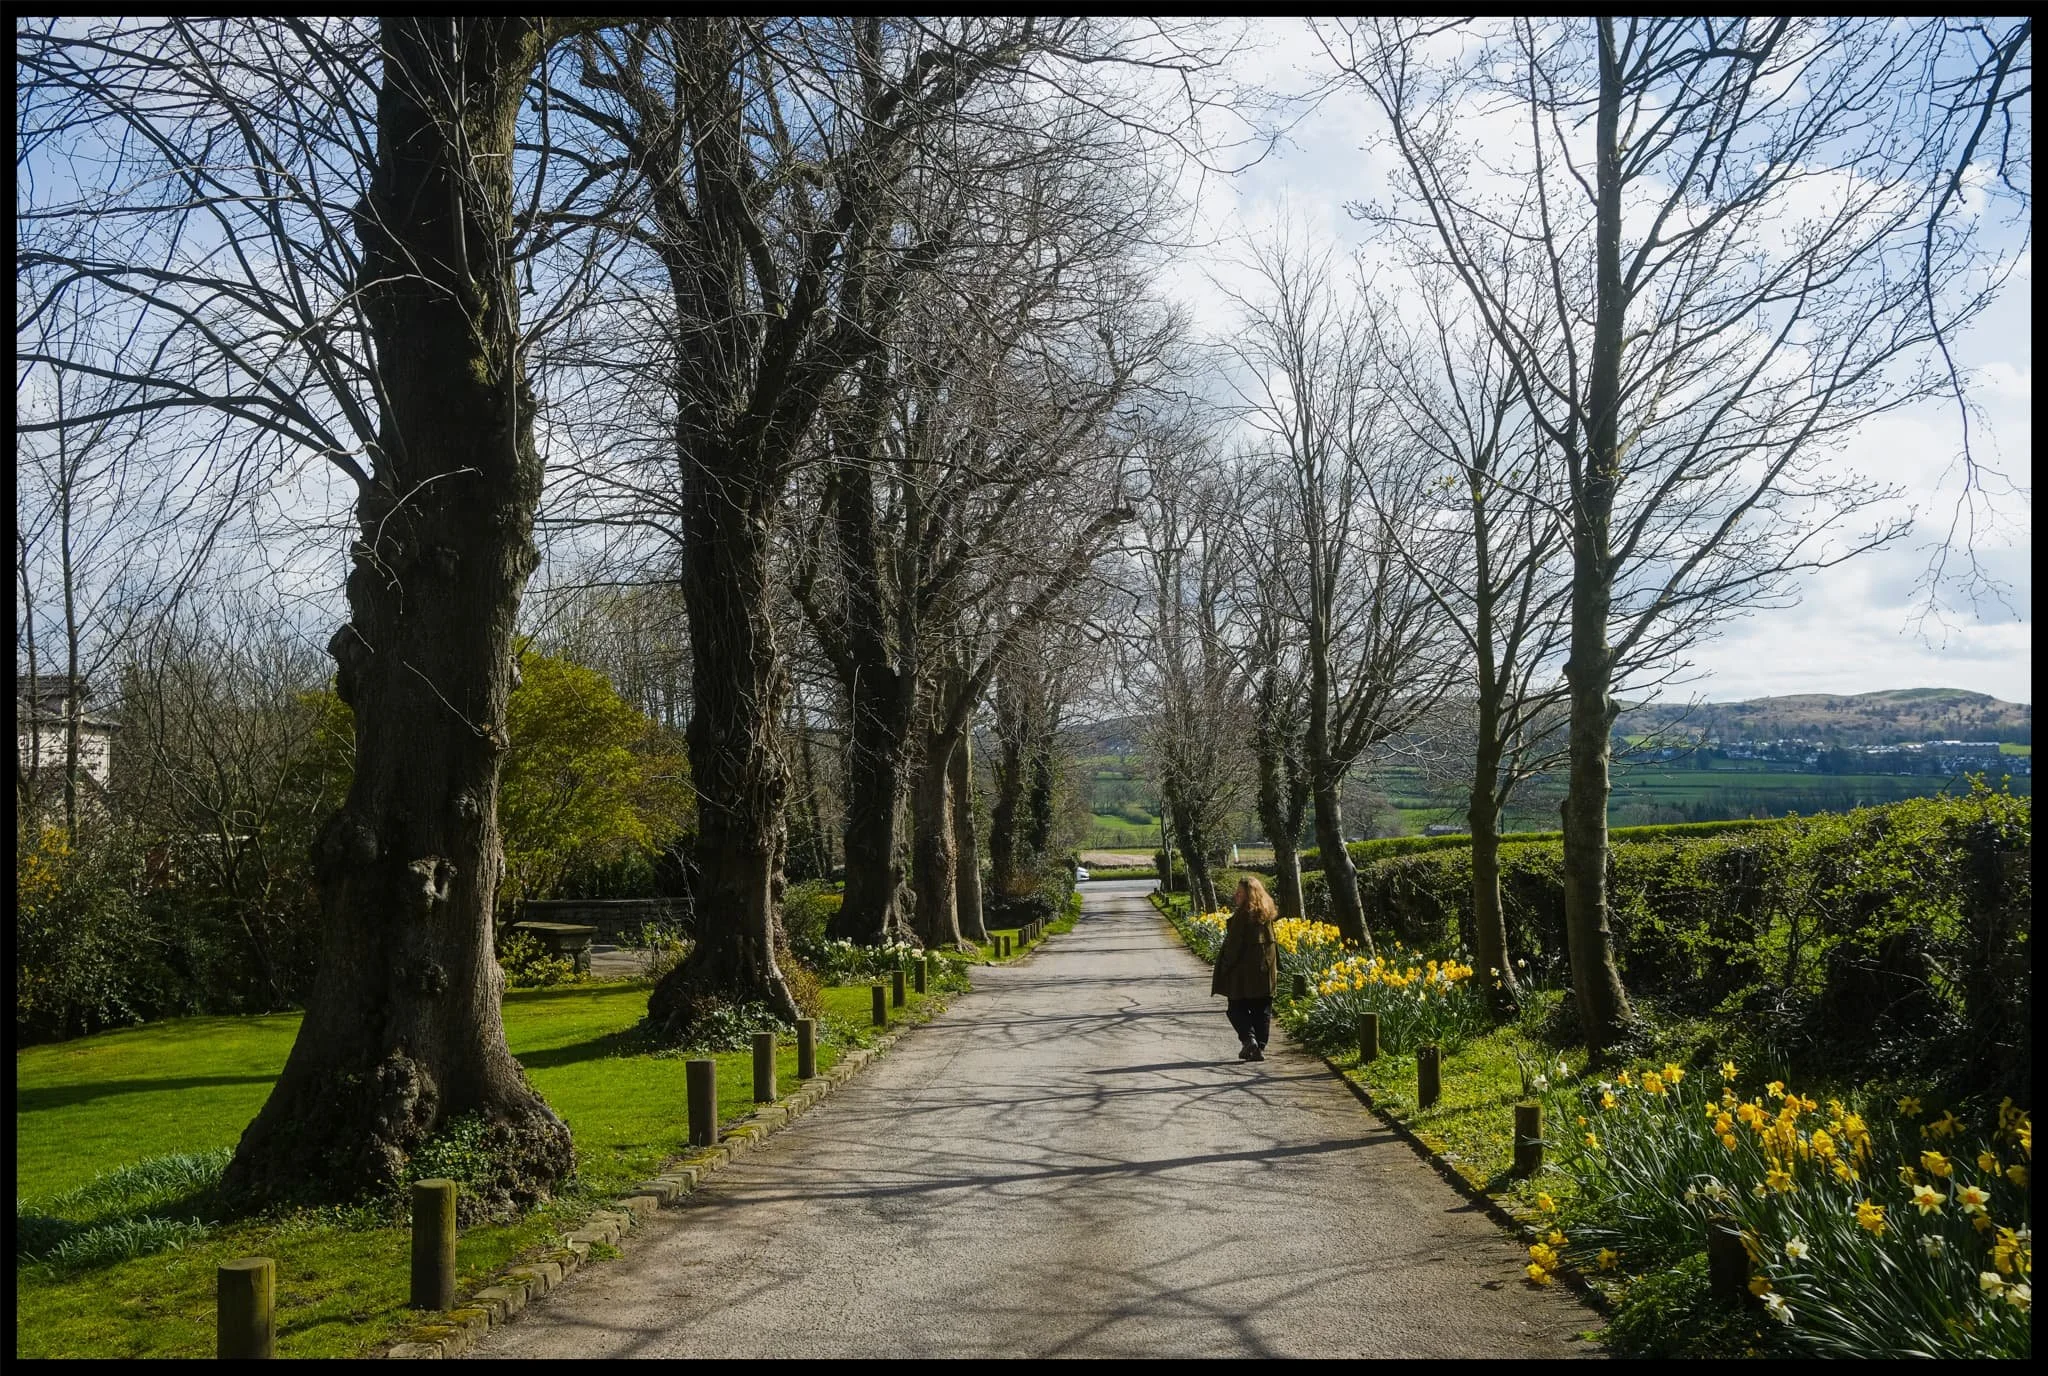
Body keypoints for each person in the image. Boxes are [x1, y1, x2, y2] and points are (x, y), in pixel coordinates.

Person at [1211, 875, 1279, 1061]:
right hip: (1265, 974)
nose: (1236, 896)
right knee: (1261, 1010)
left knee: (1235, 1009)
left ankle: (1250, 1040)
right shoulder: (1267, 915)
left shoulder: (1242, 916)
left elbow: (1233, 947)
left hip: (1242, 975)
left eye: (1240, 893)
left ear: (1249, 896)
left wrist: (1224, 968)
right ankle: (1259, 1048)